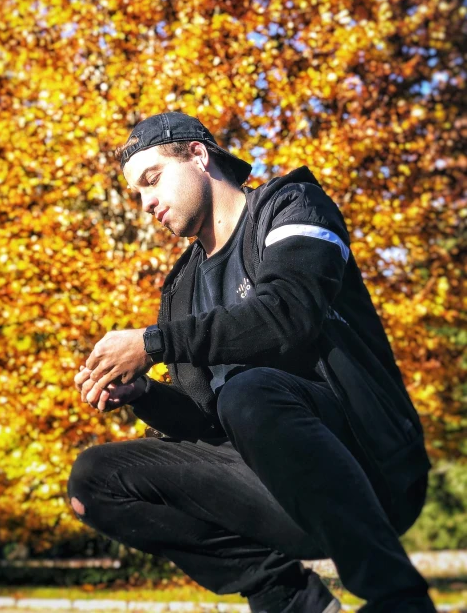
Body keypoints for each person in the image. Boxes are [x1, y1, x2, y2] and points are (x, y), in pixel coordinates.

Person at [68, 111, 436, 613]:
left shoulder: (292, 206)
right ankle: (291, 599)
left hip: (372, 470)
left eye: (152, 180)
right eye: (137, 193)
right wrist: (145, 396)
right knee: (94, 478)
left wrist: (152, 344)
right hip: (275, 493)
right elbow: (206, 423)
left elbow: (288, 313)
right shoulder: (180, 289)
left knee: (251, 391)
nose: (146, 203)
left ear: (198, 155)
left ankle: (398, 598)